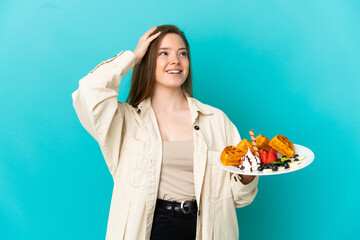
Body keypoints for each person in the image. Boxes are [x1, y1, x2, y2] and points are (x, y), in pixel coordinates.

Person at [72, 24, 259, 240]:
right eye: (164, 53)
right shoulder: (126, 121)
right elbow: (88, 92)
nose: (175, 61)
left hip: (206, 228)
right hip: (151, 228)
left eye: (182, 54)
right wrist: (131, 58)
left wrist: (248, 175)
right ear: (148, 61)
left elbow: (239, 198)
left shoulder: (216, 121)